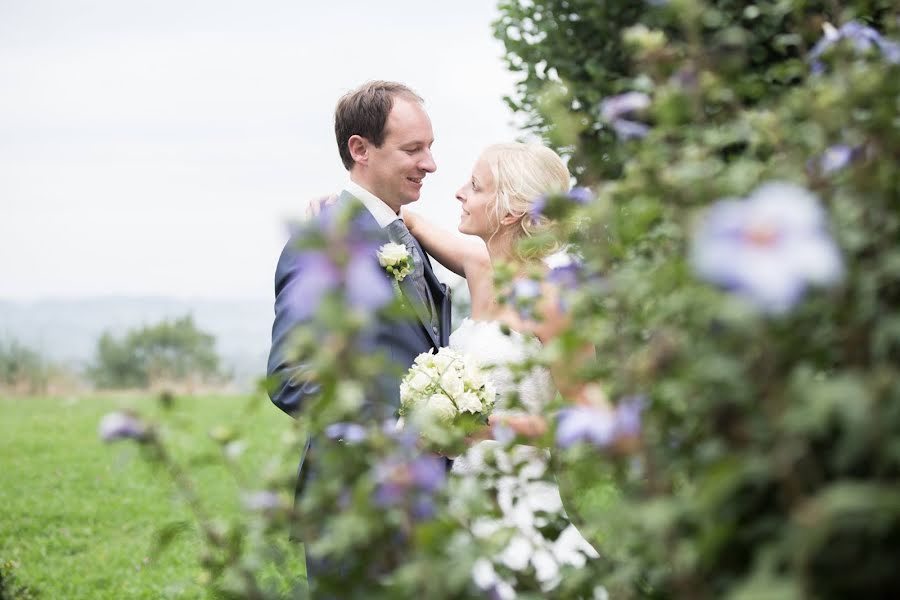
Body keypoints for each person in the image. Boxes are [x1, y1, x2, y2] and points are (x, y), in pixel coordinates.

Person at [266, 80, 451, 592]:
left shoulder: (404, 232)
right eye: (413, 149)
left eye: (430, 147)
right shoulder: (326, 241)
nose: (430, 163)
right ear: (360, 149)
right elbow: (289, 377)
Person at [401, 142, 600, 596]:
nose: (458, 193)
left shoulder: (554, 301)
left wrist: (495, 428)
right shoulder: (478, 267)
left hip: (521, 501)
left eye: (475, 186)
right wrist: (338, 215)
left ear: (510, 212)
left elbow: (591, 416)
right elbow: (404, 220)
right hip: (460, 502)